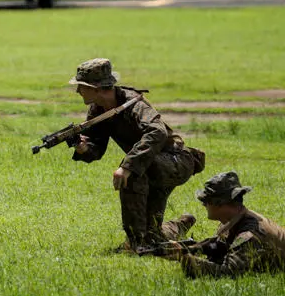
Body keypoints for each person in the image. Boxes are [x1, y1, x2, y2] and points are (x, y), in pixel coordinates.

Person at [68, 58, 205, 250]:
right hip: (151, 165)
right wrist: (83, 148)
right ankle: (178, 226)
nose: (77, 91)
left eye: (81, 86)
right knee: (152, 234)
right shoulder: (98, 108)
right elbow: (96, 146)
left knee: (131, 174)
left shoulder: (133, 103)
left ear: (96, 88)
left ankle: (135, 243)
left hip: (176, 161)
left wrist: (127, 166)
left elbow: (157, 131)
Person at [160, 171, 285, 278]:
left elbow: (228, 272)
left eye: (206, 201)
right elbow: (221, 245)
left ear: (220, 203)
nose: (204, 205)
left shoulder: (250, 235)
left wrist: (184, 258)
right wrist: (190, 248)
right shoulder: (237, 217)